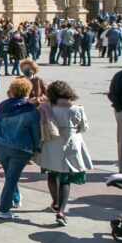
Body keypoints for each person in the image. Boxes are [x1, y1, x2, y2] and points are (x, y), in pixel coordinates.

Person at [0, 78, 42, 221]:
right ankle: (4, 210)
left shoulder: (3, 106)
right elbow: (36, 131)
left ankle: (16, 198)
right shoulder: (31, 110)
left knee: (11, 174)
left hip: (1, 146)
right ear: (27, 91)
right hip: (21, 148)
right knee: (12, 178)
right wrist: (37, 147)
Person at [40, 81, 92, 227]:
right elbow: (84, 128)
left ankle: (55, 202)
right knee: (65, 179)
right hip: (71, 145)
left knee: (52, 174)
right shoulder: (77, 109)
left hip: (52, 144)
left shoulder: (47, 108)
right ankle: (61, 211)